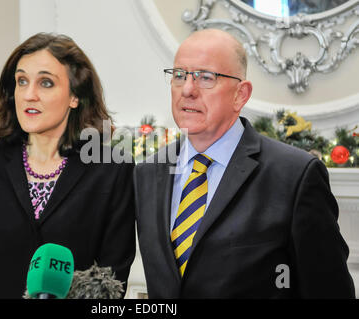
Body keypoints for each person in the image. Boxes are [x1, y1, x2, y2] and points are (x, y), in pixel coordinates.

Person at [134, 29, 355, 298]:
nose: (188, 90)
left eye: (205, 77)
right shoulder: (146, 173)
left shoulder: (295, 176)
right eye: (179, 75)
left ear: (241, 94)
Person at [0, 33, 135, 298]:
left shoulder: (113, 170)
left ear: (75, 96)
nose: (29, 95)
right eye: (21, 81)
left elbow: (110, 282)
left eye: (46, 83)